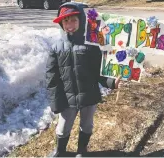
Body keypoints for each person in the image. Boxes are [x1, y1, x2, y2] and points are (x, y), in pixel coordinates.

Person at [46, 2, 121, 157]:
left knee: (86, 125)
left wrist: (112, 82)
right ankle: (60, 151)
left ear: (81, 20)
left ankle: (82, 150)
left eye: (74, 20)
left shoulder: (92, 45)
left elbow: (99, 72)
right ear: (61, 23)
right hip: (67, 98)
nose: (70, 24)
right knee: (63, 126)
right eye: (66, 21)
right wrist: (55, 101)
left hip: (89, 95)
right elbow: (51, 77)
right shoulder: (57, 47)